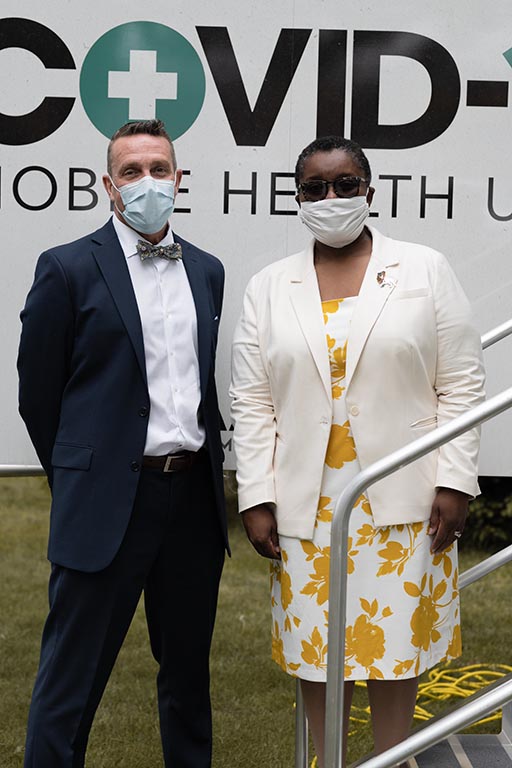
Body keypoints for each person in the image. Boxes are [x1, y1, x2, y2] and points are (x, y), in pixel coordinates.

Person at [230, 136, 485, 767]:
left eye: (346, 183)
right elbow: (252, 401)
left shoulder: (424, 269)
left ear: (370, 191)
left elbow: (461, 382)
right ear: (298, 199)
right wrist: (256, 495)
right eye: (315, 187)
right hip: (306, 504)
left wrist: (455, 482)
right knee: (318, 651)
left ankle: (394, 759)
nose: (332, 197)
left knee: (394, 646)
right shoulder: (268, 286)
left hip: (403, 496)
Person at [17, 119, 228, 768]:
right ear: (109, 185)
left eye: (159, 169)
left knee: (188, 678)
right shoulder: (67, 269)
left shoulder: (208, 272)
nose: (147, 182)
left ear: (179, 179)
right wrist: (85, 475)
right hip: (109, 498)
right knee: (70, 685)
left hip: (191, 500)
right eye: (131, 171)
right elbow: (38, 396)